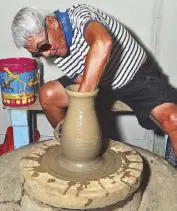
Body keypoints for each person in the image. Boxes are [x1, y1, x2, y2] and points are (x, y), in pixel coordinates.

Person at [11, 4, 177, 155]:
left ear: (52, 22)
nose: (45, 54)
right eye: (37, 53)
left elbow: (103, 42)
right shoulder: (55, 46)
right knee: (47, 95)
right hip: (99, 83)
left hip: (134, 76)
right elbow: (79, 77)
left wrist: (82, 102)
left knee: (173, 121)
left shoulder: (80, 16)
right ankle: (72, 149)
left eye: (43, 46)